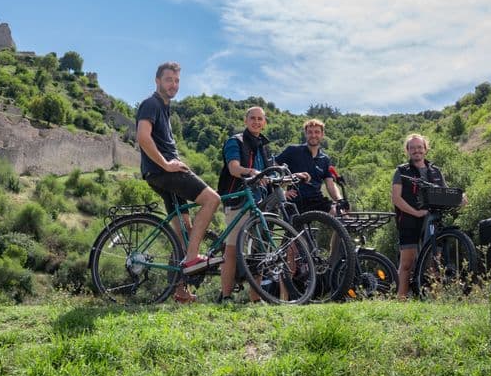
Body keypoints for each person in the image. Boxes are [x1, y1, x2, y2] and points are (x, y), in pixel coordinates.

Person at [135, 62, 222, 302]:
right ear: (157, 81)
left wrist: (177, 162)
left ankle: (180, 290)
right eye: (168, 79)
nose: (173, 84)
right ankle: (193, 257)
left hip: (161, 174)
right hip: (163, 172)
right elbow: (143, 137)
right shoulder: (151, 104)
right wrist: (166, 164)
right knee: (212, 199)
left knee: (185, 231)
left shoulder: (165, 108)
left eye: (176, 80)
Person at [216, 106, 270, 302]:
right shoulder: (234, 141)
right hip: (238, 199)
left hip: (260, 202)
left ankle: (256, 298)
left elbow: (270, 173)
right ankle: (226, 296)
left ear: (264, 122)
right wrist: (252, 172)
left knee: (259, 251)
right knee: (231, 249)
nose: (256, 122)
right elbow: (233, 168)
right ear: (246, 121)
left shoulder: (263, 145)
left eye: (260, 119)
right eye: (253, 118)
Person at [390, 133, 450, 300]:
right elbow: (396, 198)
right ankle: (401, 299)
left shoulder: (436, 171)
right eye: (413, 148)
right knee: (407, 264)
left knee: (434, 263)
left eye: (419, 147)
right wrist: (416, 212)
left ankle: (434, 300)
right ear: (407, 150)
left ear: (425, 149)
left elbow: (445, 193)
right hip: (409, 220)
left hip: (434, 220)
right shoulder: (401, 171)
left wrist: (460, 198)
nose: (416, 150)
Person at [274, 118, 343, 215]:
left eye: (317, 132)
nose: (313, 135)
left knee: (340, 212)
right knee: (295, 229)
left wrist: (340, 200)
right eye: (310, 132)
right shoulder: (293, 151)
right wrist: (282, 192)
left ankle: (337, 230)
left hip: (316, 200)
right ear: (305, 134)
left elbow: (330, 184)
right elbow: (272, 169)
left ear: (322, 134)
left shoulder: (325, 159)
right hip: (295, 200)